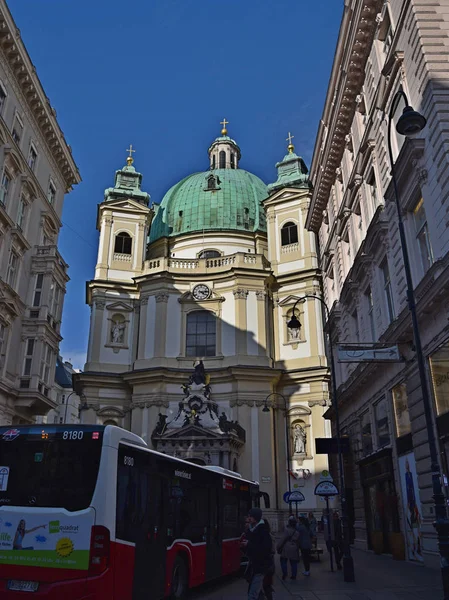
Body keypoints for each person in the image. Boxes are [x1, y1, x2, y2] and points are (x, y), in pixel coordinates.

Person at [241, 507, 273, 600]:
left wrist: (249, 544)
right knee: (255, 592)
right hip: (255, 566)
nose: (248, 518)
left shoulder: (263, 530)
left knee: (252, 595)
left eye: (250, 517)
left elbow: (265, 549)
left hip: (261, 566)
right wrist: (245, 545)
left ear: (255, 518)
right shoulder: (252, 529)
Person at [276, 515, 300, 580]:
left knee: (283, 561)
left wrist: (278, 547)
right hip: (294, 547)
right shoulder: (297, 532)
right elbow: (298, 542)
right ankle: (294, 575)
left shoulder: (287, 530)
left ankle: (285, 574)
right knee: (293, 562)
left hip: (286, 547)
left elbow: (282, 540)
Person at [262, 519, 275, 600]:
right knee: (266, 585)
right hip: (270, 564)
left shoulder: (266, 536)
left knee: (265, 585)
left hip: (266, 564)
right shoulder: (269, 535)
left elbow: (272, 550)